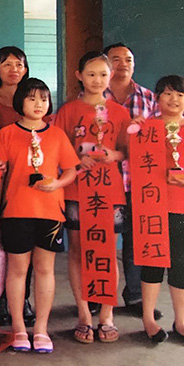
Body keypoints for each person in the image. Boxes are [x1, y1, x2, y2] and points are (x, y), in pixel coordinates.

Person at [0, 78, 78, 353]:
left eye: (43, 98)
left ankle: (41, 328)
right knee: (17, 271)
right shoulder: (6, 133)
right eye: (31, 98)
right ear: (20, 102)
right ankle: (19, 327)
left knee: (45, 270)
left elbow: (70, 170)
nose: (38, 104)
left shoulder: (56, 135)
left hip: (51, 212)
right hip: (16, 212)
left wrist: (57, 184)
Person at [55, 51, 129, 344]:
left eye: (102, 74)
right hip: (76, 189)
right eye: (91, 74)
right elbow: (56, 148)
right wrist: (75, 161)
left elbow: (126, 150)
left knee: (108, 250)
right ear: (79, 76)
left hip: (108, 191)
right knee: (77, 250)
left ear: (110, 76)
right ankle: (84, 314)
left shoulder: (120, 112)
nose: (97, 80)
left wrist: (114, 154)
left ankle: (107, 315)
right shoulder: (68, 110)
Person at [104, 43, 162, 319]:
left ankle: (135, 295)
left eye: (128, 59)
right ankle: (98, 293)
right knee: (100, 237)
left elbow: (166, 136)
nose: (123, 64)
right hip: (102, 181)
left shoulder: (149, 99)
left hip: (139, 181)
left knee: (136, 239)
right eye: (116, 59)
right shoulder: (92, 96)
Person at [0, 46, 35, 327]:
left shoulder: (34, 99)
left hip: (26, 182)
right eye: (7, 64)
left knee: (28, 244)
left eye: (19, 64)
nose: (14, 69)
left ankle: (23, 299)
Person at [139, 75, 184, 343]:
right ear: (156, 98)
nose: (174, 99)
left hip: (181, 207)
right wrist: (135, 131)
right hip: (151, 205)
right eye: (167, 94)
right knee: (152, 260)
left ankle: (181, 318)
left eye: (180, 94)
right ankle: (148, 318)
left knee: (181, 263)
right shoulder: (146, 128)